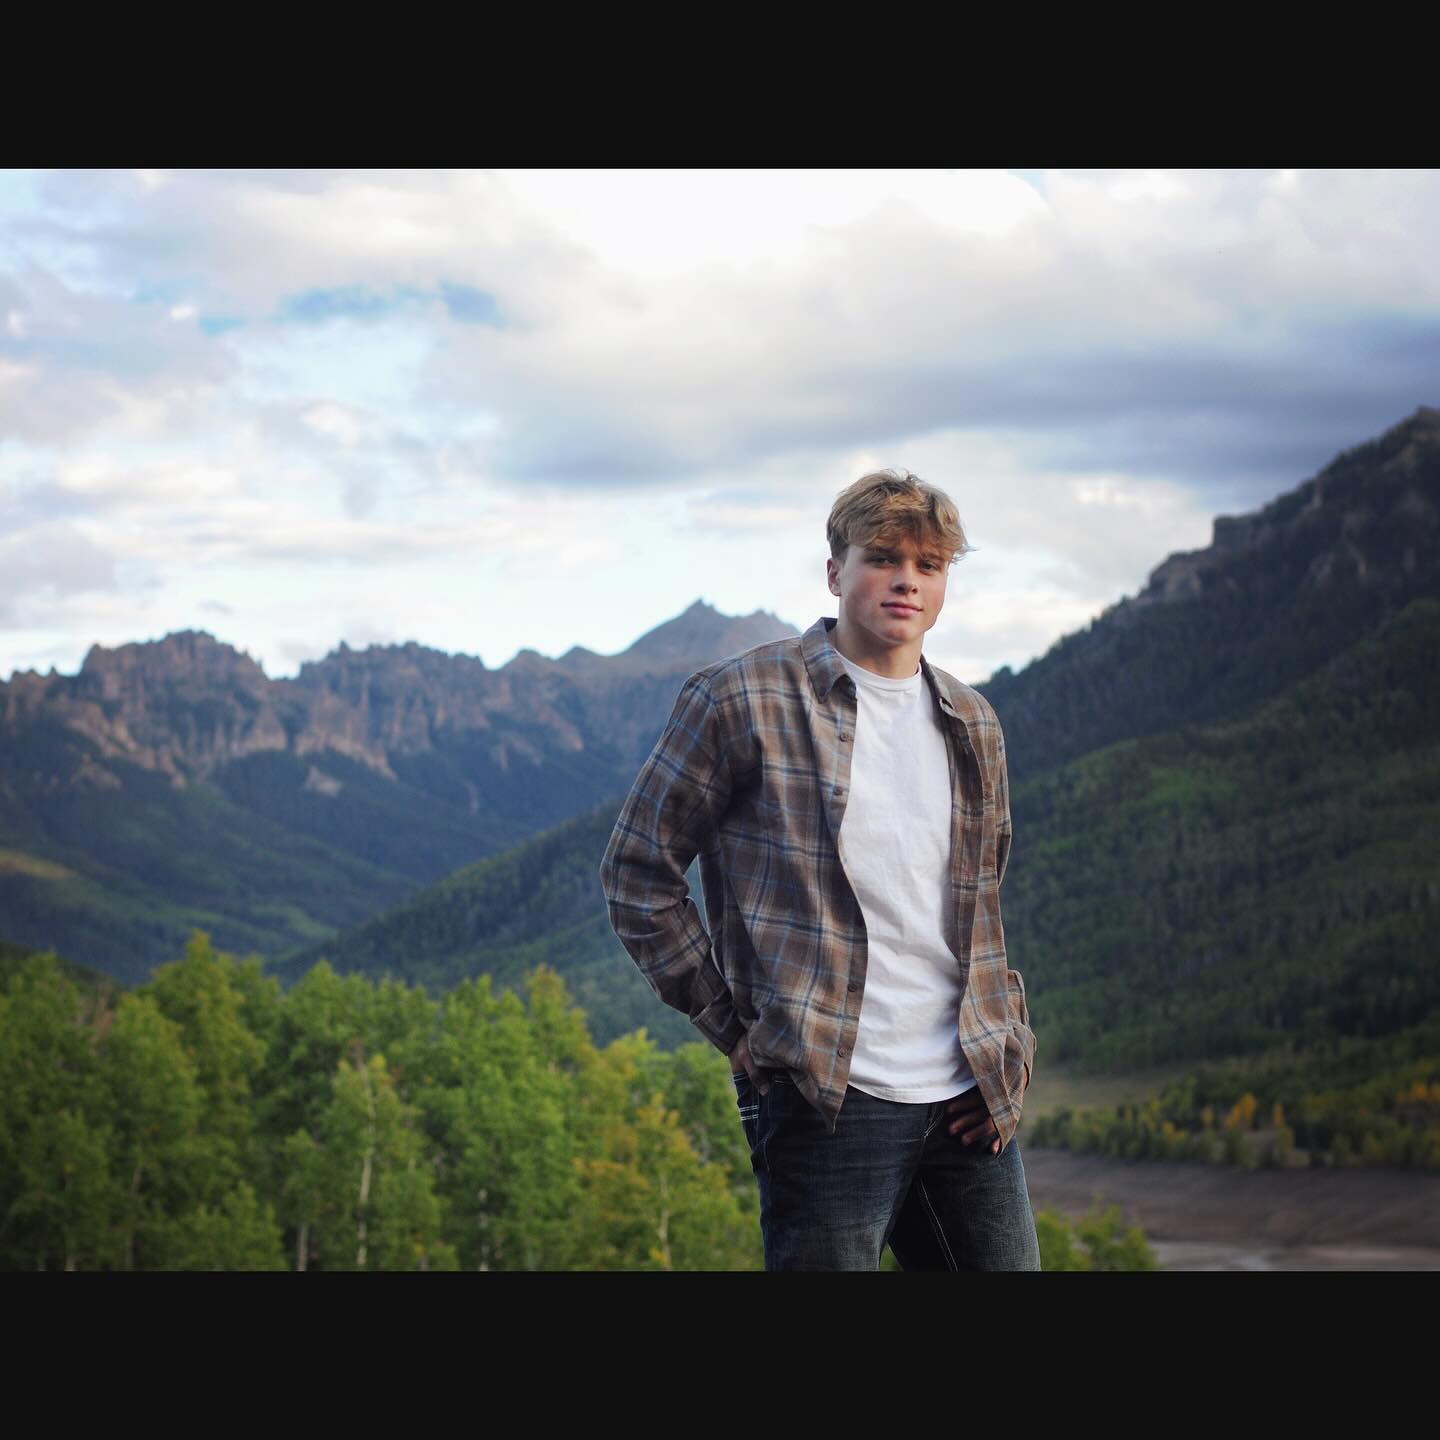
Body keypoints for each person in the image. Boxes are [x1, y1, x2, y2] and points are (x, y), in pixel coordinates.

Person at [599, 469, 1040, 1271]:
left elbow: (982, 912)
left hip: (967, 1095)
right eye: (884, 557)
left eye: (930, 564)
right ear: (835, 572)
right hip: (827, 1097)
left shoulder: (973, 723)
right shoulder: (742, 699)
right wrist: (731, 1028)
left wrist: (1007, 1044)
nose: (907, 578)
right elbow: (637, 871)